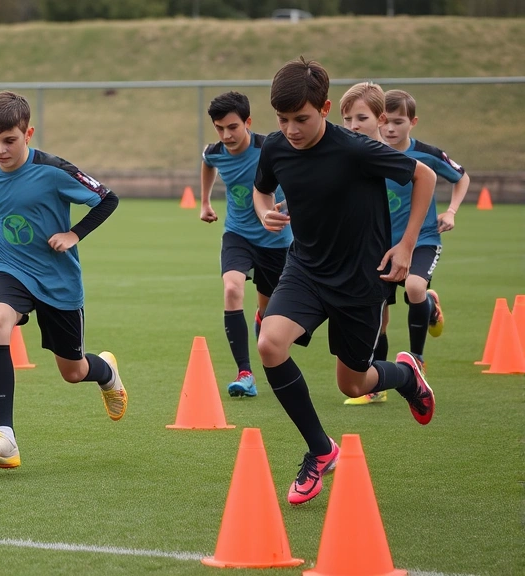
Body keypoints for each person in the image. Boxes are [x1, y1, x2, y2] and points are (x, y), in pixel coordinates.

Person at [253, 58, 438, 505]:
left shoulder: (355, 149)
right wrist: (264, 211)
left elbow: (424, 176)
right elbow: (263, 188)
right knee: (269, 343)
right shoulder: (276, 148)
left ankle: (406, 376)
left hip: (359, 281)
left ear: (325, 107)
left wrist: (407, 245)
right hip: (307, 269)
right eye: (283, 120)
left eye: (302, 119)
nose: (292, 129)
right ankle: (320, 450)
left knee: (353, 384)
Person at [0, 91, 125, 469]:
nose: (0, 150)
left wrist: (74, 234)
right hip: (9, 268)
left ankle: (106, 371)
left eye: (10, 141)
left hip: (57, 279)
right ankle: (5, 436)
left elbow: (107, 198)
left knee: (74, 371)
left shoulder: (55, 170)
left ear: (28, 133)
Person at [339, 84, 468, 405]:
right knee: (377, 314)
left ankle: (417, 359)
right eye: (388, 123)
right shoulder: (367, 156)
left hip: (421, 241)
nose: (392, 128)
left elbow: (461, 176)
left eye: (400, 122)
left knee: (413, 286)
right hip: (381, 246)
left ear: (413, 122)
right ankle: (376, 386)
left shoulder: (426, 155)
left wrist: (451, 211)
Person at [200, 91, 292, 398]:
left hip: (276, 241)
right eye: (219, 128)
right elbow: (207, 162)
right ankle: (245, 373)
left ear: (248, 122)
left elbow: (297, 176)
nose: (226, 135)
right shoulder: (214, 151)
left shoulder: (270, 147)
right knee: (232, 288)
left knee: (267, 314)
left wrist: (289, 205)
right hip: (237, 234)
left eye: (232, 127)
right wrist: (204, 202)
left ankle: (260, 317)